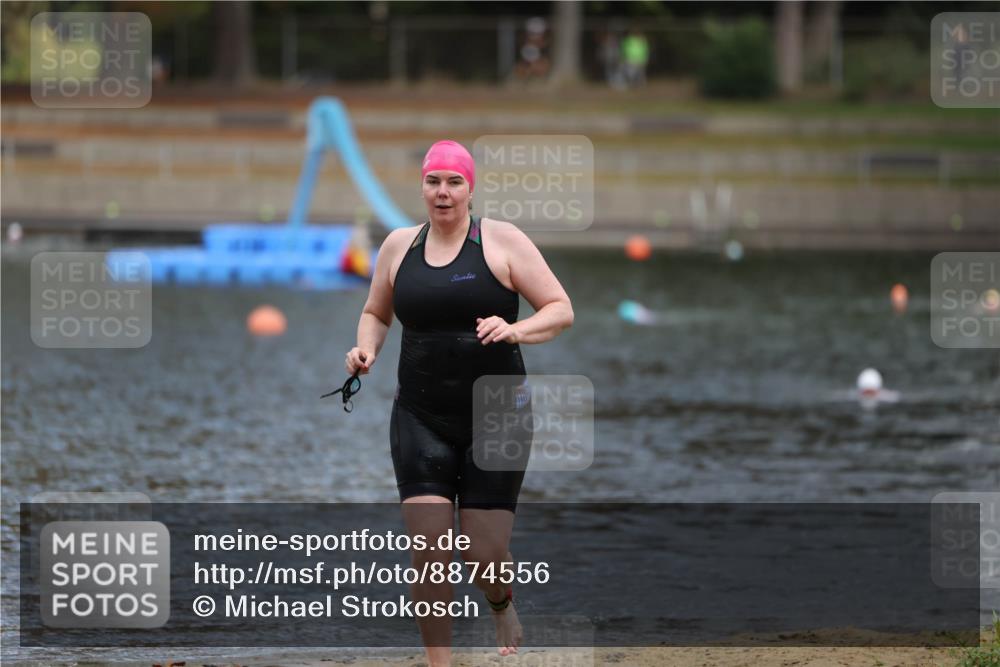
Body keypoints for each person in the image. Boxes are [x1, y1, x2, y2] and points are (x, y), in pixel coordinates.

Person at [344, 140, 574, 666]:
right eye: (433, 181)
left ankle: (500, 600)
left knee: (482, 553)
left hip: (497, 414)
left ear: (470, 188)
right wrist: (366, 350)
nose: (442, 192)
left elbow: (561, 309)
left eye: (454, 182)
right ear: (422, 186)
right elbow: (376, 313)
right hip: (420, 415)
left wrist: (514, 328)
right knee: (428, 555)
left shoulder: (502, 241)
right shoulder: (399, 246)